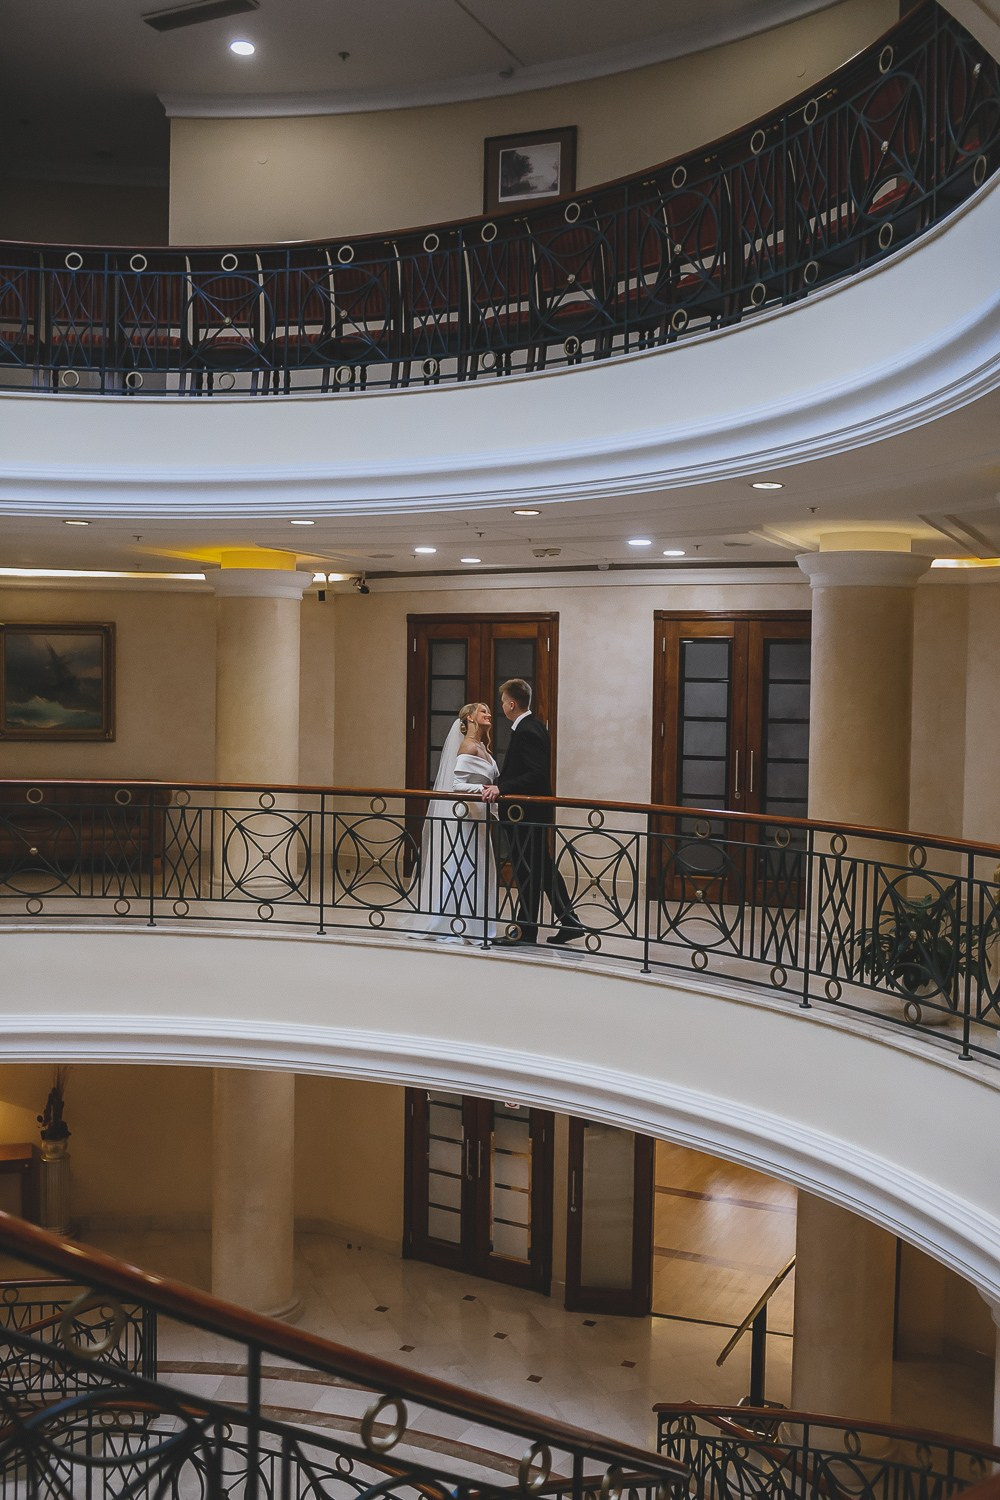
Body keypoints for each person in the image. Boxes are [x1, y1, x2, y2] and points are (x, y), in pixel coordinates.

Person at [482, 678, 585, 947]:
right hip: (529, 814)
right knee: (539, 867)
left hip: (526, 815)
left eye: (503, 702)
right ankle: (567, 921)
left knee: (529, 869)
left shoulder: (527, 730)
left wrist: (500, 787)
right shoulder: (531, 726)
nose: (501, 706)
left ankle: (527, 931)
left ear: (512, 704)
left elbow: (535, 774)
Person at [412, 702, 498, 941]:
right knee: (463, 865)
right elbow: (457, 785)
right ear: (470, 718)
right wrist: (485, 789)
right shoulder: (468, 746)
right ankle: (454, 920)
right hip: (468, 817)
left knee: (477, 866)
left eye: (489, 710)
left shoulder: (483, 747)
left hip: (480, 817)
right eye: (483, 711)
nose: (488, 714)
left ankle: (474, 919)